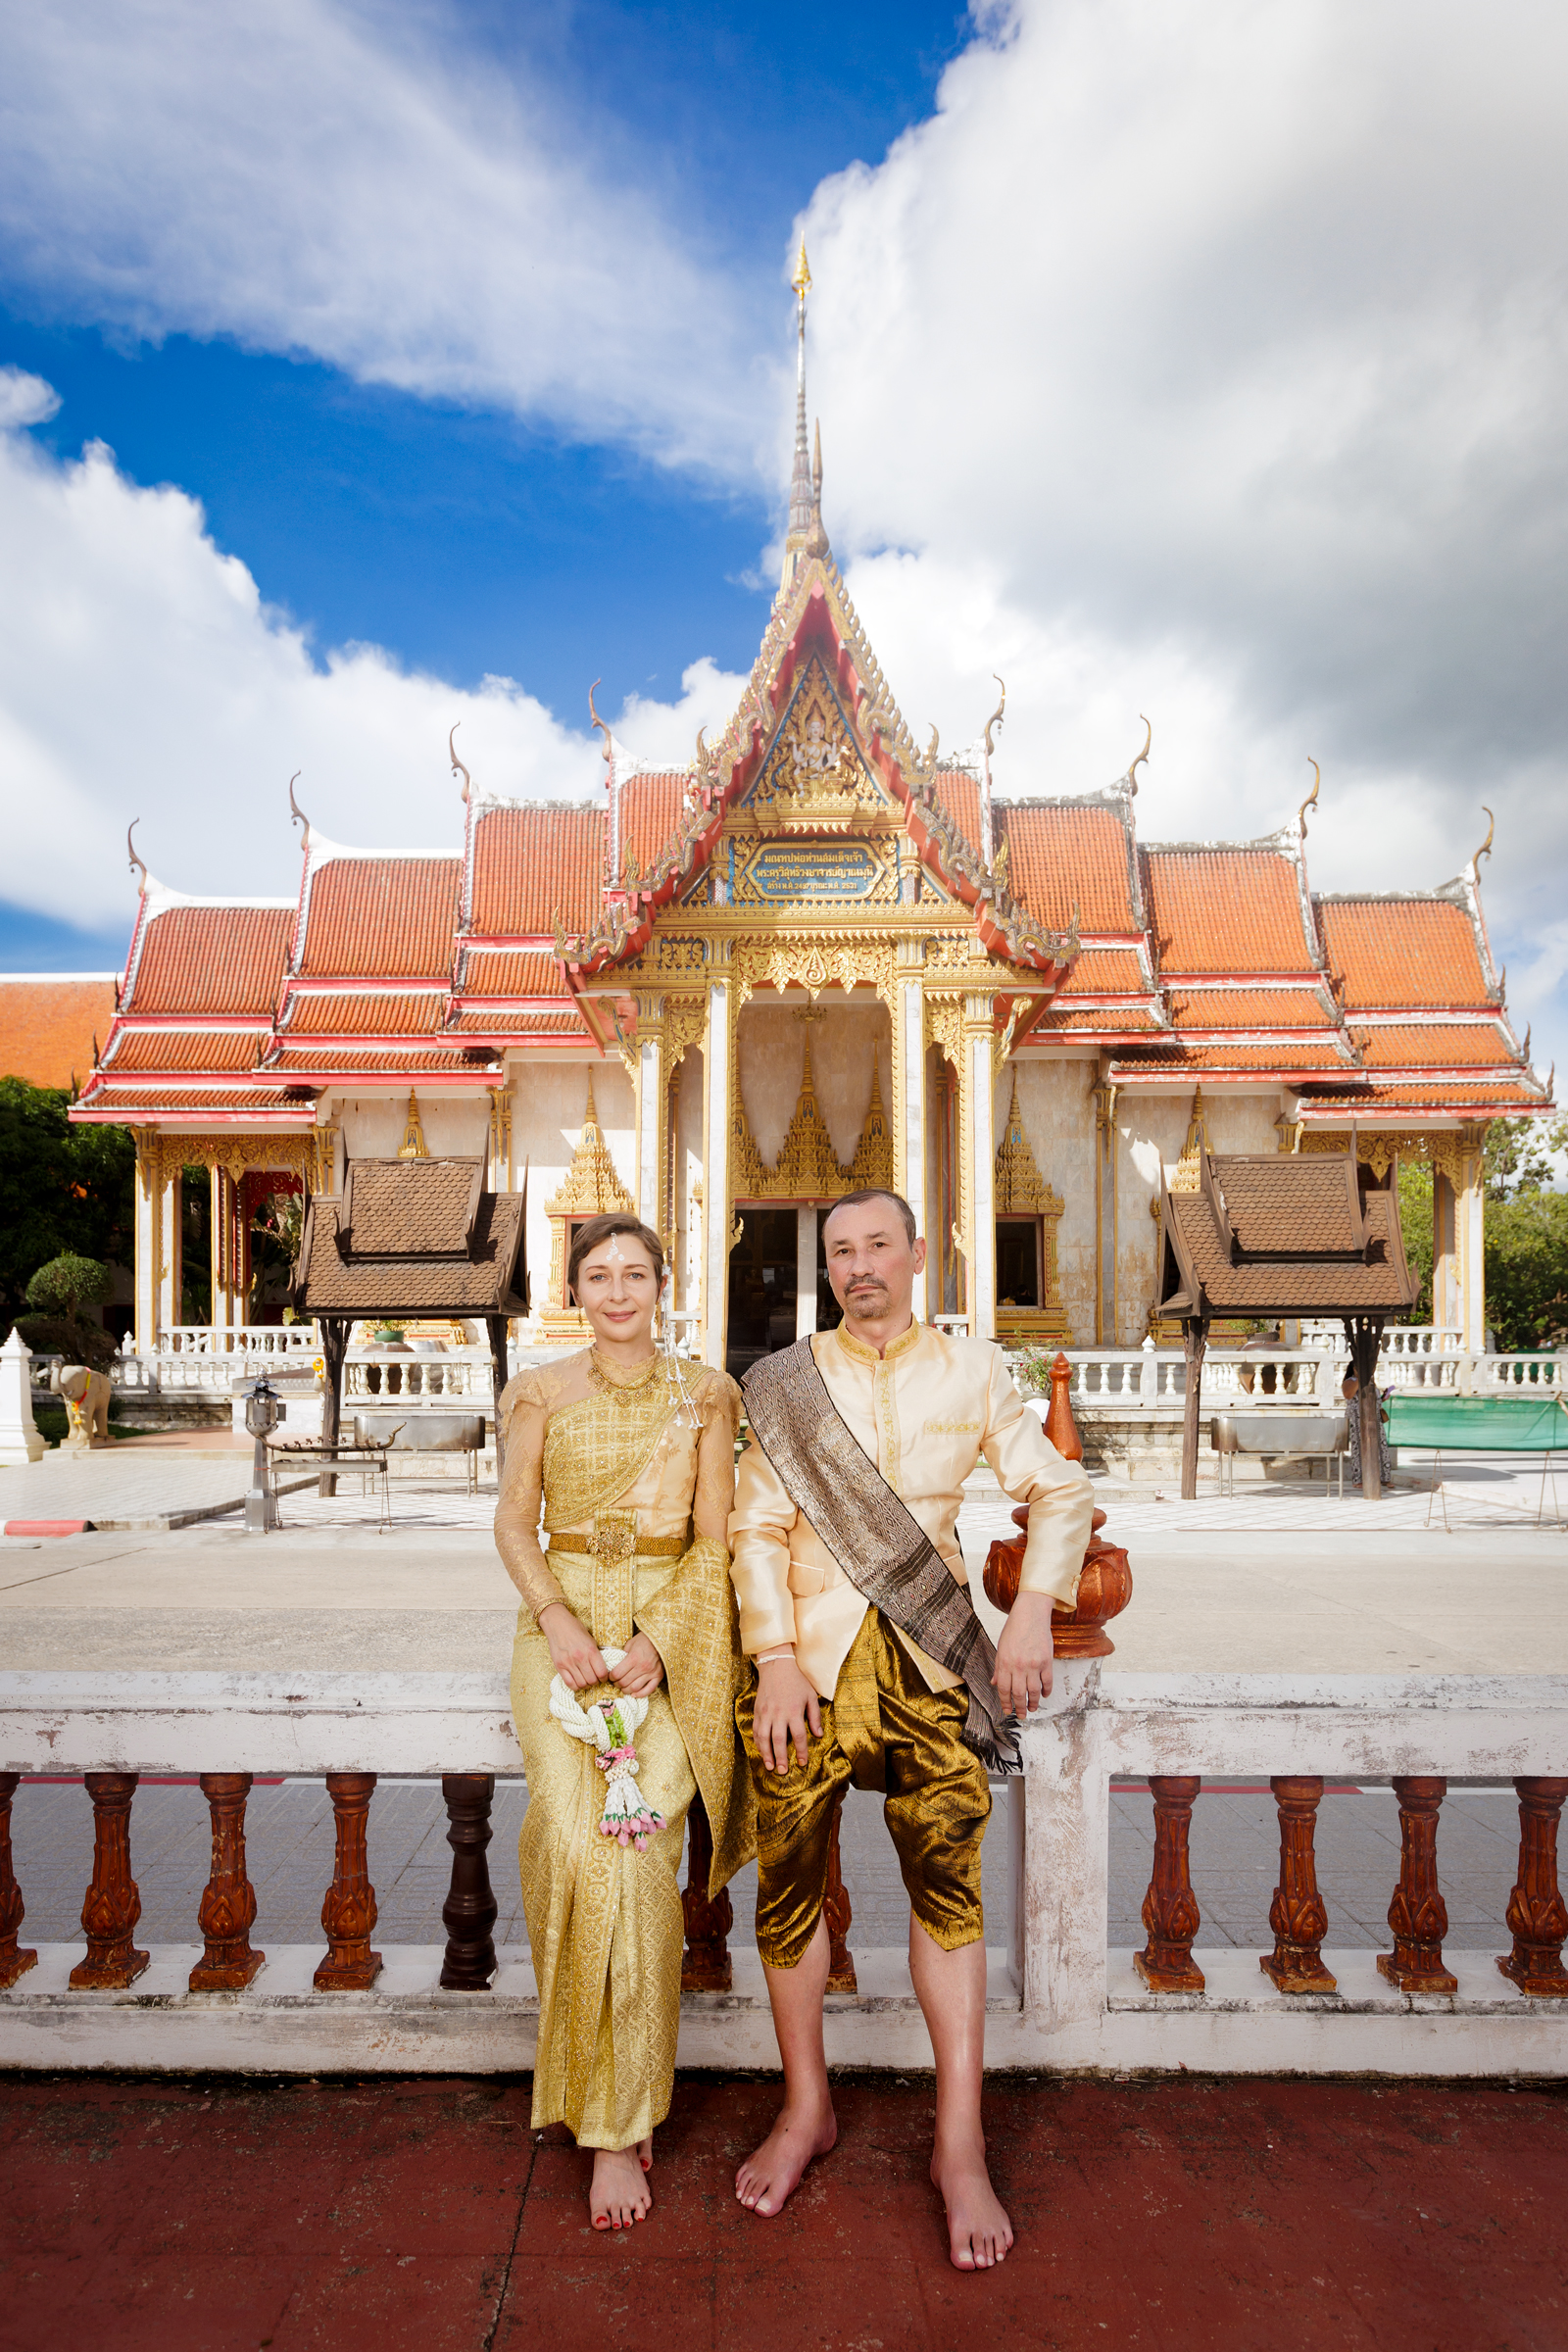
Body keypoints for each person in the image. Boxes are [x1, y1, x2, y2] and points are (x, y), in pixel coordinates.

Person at [727, 1188, 1096, 2271]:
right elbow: (752, 1526)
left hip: (932, 1663)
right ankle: (806, 2110)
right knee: (789, 1876)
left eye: (876, 1245)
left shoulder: (971, 1370)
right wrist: (774, 1660)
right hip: (809, 1668)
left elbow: (1059, 1491)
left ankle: (958, 2142)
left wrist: (1029, 1611)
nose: (858, 1266)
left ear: (917, 1253)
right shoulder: (789, 1382)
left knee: (948, 1882)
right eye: (839, 1251)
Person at [494, 1212, 751, 2232]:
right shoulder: (538, 1394)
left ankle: (615, 2119)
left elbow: (718, 1536)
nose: (615, 1293)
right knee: (571, 1842)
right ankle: (594, 2086)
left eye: (634, 1274)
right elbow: (514, 1522)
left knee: (638, 1861)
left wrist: (661, 1638)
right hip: (554, 1627)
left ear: (662, 1283)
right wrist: (558, 1619)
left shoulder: (706, 1394)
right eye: (596, 1275)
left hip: (667, 1630)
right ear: (574, 1288)